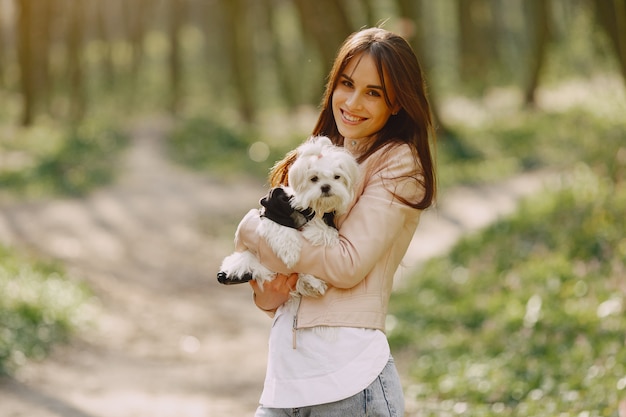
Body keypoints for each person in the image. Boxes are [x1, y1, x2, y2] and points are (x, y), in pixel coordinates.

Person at [233, 27, 436, 416]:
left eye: (373, 92)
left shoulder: (398, 163)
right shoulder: (319, 156)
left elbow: (345, 263)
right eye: (347, 84)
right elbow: (277, 277)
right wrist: (267, 294)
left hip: (347, 383)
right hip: (286, 379)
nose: (353, 102)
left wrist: (251, 230)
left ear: (396, 103)